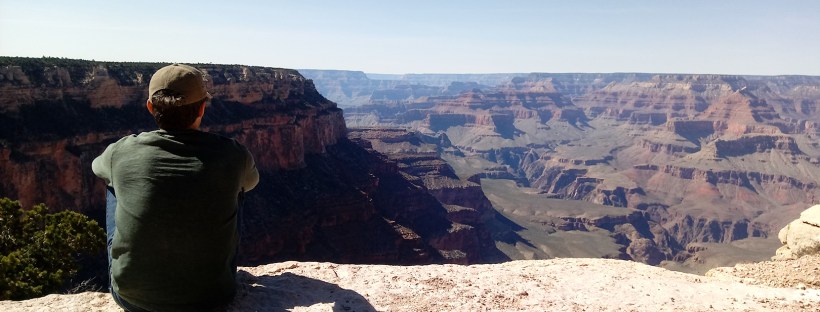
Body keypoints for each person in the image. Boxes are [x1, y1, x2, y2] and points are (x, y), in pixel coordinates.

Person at [92, 64, 259, 311]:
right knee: (237, 188)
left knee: (114, 183)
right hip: (213, 297)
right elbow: (252, 182)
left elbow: (97, 168)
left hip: (132, 298)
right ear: (202, 107)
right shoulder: (232, 154)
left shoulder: (121, 151)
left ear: (151, 107)